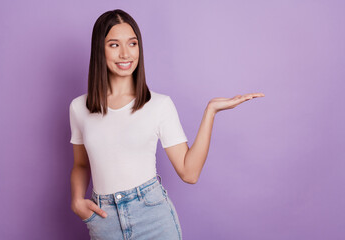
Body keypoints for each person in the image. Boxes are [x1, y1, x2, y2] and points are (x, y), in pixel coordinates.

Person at [69, 9, 265, 240]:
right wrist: (76, 200)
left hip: (153, 218)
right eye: (114, 45)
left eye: (132, 44)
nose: (125, 53)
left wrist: (210, 111)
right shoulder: (79, 107)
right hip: (104, 220)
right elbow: (81, 164)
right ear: (99, 50)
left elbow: (189, 173)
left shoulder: (159, 105)